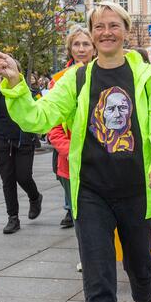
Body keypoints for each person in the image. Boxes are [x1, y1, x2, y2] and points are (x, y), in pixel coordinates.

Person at [0, 1, 151, 302]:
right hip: (91, 192)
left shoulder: (148, 78)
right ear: (91, 35)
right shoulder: (75, 79)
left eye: (113, 25)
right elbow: (37, 117)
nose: (106, 32)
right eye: (98, 27)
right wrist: (15, 82)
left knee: (140, 265)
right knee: (98, 277)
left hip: (139, 192)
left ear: (125, 31)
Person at [0, 69, 43, 234]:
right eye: (2, 75)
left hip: (24, 142)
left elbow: (41, 114)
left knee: (23, 176)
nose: (5, 77)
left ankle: (35, 197)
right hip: (2, 144)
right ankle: (13, 218)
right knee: (8, 180)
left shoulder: (31, 93)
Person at [48, 26, 96, 229]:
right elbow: (53, 126)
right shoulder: (58, 81)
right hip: (71, 160)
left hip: (103, 158)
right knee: (81, 217)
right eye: (76, 44)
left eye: (86, 44)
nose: (81, 49)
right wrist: (72, 152)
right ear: (70, 48)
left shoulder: (106, 75)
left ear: (94, 47)